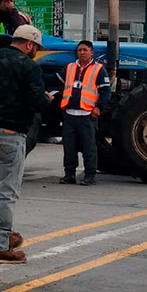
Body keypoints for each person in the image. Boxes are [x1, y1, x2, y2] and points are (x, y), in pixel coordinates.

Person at [0, 25, 52, 264]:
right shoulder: (28, 66)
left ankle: (3, 235)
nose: (35, 52)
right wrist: (47, 99)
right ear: (29, 44)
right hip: (10, 134)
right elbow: (36, 103)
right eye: (36, 48)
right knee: (7, 192)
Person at [58, 41, 111, 186]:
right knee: (69, 147)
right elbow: (56, 79)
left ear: (91, 52)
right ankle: (69, 175)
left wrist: (98, 107)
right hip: (70, 114)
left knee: (89, 147)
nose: (82, 52)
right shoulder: (70, 68)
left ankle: (89, 176)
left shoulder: (99, 70)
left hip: (87, 115)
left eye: (85, 50)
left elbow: (106, 91)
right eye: (80, 50)